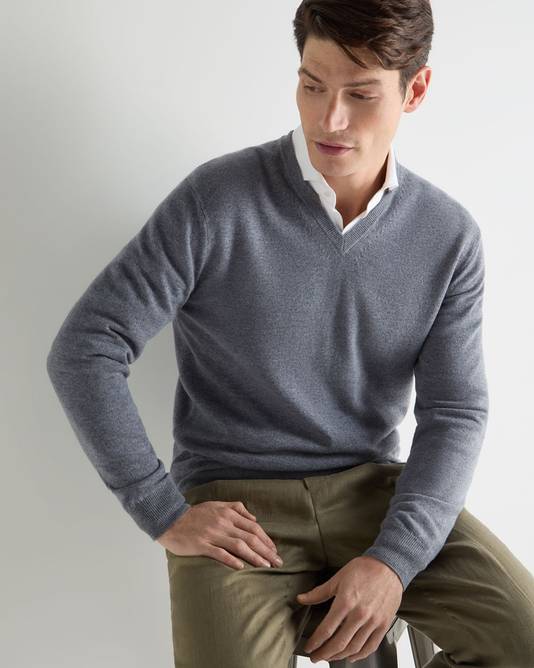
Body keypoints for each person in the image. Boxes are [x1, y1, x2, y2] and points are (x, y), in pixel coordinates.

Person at [46, 1, 534, 665]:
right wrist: (160, 508)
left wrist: (393, 561)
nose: (329, 120)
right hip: (236, 508)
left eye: (361, 94)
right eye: (312, 85)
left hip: (374, 494)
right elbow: (86, 348)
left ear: (415, 90)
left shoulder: (447, 237)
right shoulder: (216, 200)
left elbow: (455, 411)